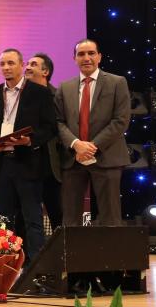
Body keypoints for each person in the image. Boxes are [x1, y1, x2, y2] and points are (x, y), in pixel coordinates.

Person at [0, 49, 57, 261]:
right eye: (3, 64)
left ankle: (35, 267)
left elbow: (50, 128)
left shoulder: (39, 93)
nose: (6, 67)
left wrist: (29, 141)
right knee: (2, 220)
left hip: (28, 163)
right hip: (1, 165)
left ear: (22, 65)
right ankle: (4, 264)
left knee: (33, 219)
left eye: (11, 63)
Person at [54, 39, 131, 228]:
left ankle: (111, 250)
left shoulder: (117, 82)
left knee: (110, 219)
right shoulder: (65, 87)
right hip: (73, 159)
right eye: (81, 54)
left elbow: (121, 120)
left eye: (91, 53)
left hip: (107, 157)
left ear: (99, 57)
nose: (86, 58)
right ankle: (73, 250)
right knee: (70, 220)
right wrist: (76, 144)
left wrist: (91, 147)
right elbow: (58, 121)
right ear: (74, 59)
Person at [26, 52, 63, 229]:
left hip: (52, 165)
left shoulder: (59, 96)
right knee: (28, 216)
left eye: (33, 64)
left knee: (57, 215)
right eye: (27, 64)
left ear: (45, 72)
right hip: (26, 165)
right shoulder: (20, 95)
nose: (27, 67)